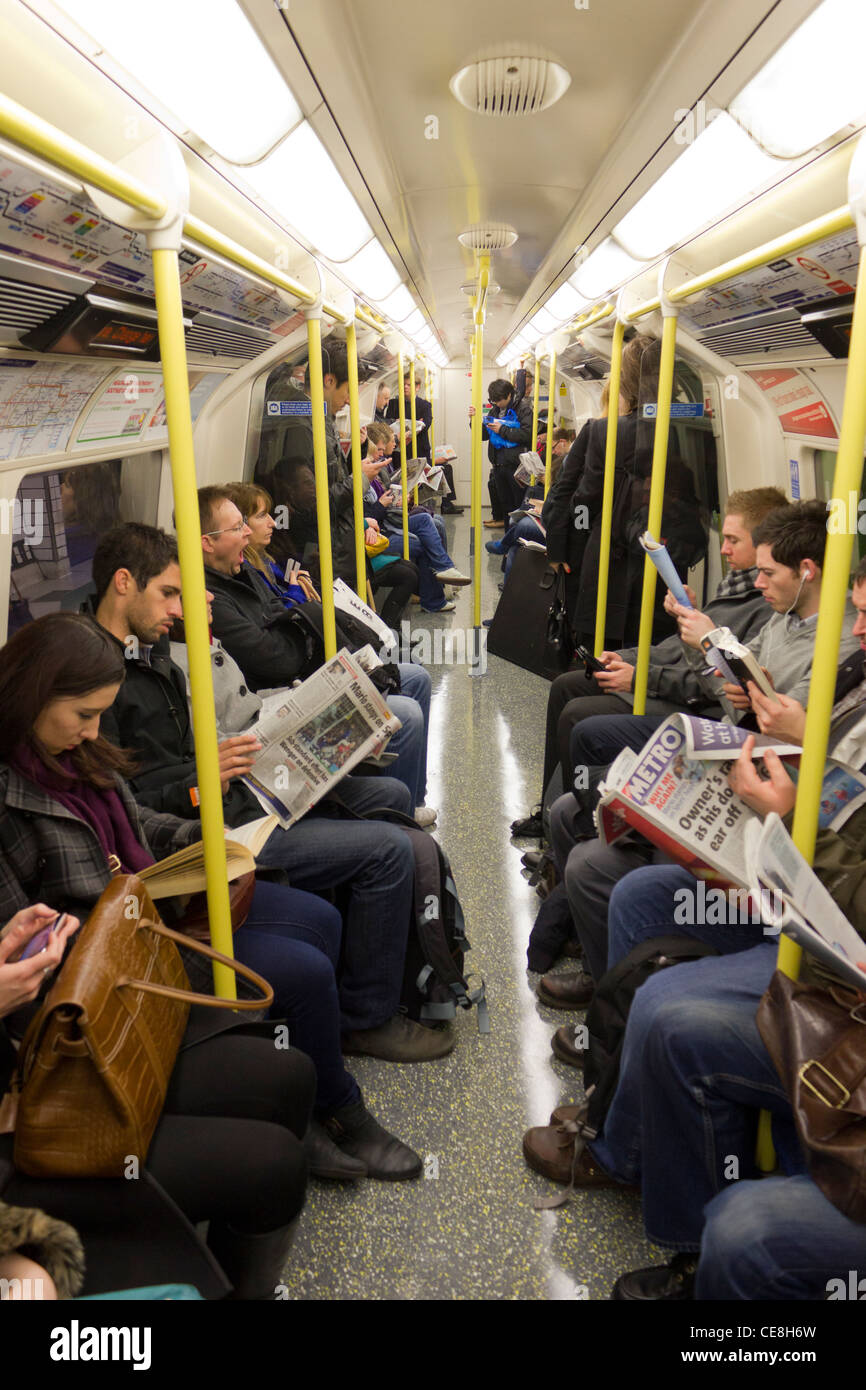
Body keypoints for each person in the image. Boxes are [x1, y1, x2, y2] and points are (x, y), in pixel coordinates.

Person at [90, 524, 451, 1076]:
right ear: (123, 584)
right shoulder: (98, 681)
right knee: (389, 850)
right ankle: (367, 1017)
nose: (182, 606)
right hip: (206, 831)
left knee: (389, 791)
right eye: (170, 593)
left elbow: (193, 746)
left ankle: (395, 976)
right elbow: (132, 803)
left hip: (234, 794)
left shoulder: (153, 653)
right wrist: (200, 779)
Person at [194, 488, 434, 815]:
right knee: (406, 713)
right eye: (238, 527)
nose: (249, 532)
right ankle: (398, 812)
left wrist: (302, 623)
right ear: (207, 541)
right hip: (280, 695)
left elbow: (281, 614)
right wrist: (307, 629)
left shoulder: (245, 571)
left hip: (298, 674)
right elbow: (272, 657)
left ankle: (413, 800)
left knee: (416, 677)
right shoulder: (212, 599)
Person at [469, 377, 534, 525]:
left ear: (509, 395)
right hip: (498, 465)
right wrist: (474, 421)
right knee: (505, 505)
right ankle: (507, 540)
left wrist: (502, 430)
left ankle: (517, 543)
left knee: (518, 506)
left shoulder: (523, 409)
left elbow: (527, 435)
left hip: (516, 466)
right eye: (494, 401)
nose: (497, 404)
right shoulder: (495, 410)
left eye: (499, 401)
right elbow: (484, 435)